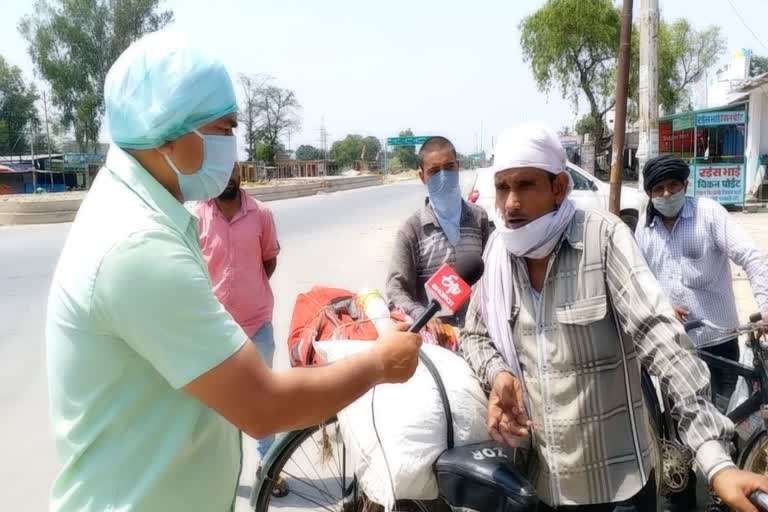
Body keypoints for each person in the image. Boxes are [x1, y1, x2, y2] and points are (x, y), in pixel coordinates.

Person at [45, 31, 421, 512]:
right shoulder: (137, 244)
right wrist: (377, 365)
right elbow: (262, 406)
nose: (232, 147)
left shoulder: (138, 206)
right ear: (170, 132)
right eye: (223, 128)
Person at [460, 122, 768, 512]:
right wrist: (498, 374)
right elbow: (473, 335)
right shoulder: (496, 257)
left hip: (614, 487)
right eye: (503, 187)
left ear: (559, 188)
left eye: (525, 185)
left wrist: (716, 459)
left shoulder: (601, 239)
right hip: (538, 481)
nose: (511, 204)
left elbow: (661, 338)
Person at [635, 154, 768, 412]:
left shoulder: (708, 214)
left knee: (729, 419)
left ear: (685, 185)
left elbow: (751, 257)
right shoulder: (646, 227)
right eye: (658, 189)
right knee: (682, 419)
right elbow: (640, 278)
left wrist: (766, 305)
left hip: (719, 343)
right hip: (674, 346)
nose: (666, 194)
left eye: (673, 186)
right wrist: (662, 307)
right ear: (649, 194)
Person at [193, 162, 287, 496]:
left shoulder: (261, 214)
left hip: (257, 325)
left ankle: (270, 468)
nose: (228, 177)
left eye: (232, 171)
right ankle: (223, 473)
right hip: (215, 330)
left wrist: (248, 291)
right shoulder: (197, 217)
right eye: (222, 171)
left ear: (239, 174)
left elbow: (268, 261)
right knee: (217, 406)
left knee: (263, 400)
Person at [386, 136, 491, 346]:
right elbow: (395, 290)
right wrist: (422, 315)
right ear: (422, 176)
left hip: (481, 338)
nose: (443, 177)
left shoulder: (479, 218)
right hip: (437, 346)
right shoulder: (411, 230)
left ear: (458, 168)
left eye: (449, 167)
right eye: (434, 171)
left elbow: (492, 274)